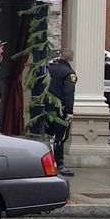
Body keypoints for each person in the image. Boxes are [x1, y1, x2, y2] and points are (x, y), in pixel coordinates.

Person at [47, 49, 77, 177]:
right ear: (71, 60)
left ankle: (47, 162)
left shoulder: (50, 68)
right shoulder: (69, 73)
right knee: (60, 138)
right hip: (61, 110)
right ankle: (59, 163)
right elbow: (68, 93)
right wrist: (69, 112)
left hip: (47, 108)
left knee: (46, 136)